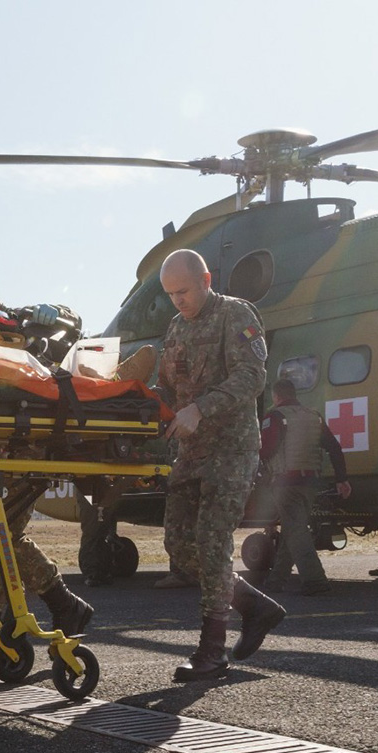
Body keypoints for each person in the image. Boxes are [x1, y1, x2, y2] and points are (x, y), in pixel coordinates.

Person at [157, 249, 285, 682]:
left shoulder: (236, 314)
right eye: (171, 294)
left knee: (212, 543)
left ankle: (211, 653)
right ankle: (254, 606)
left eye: (184, 291)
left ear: (206, 279)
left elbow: (252, 376)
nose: (178, 300)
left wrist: (201, 409)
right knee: (180, 548)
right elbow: (166, 387)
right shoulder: (175, 328)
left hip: (231, 451)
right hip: (190, 455)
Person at [0, 279, 95, 672]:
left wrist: (56, 314)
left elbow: (72, 327)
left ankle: (55, 609)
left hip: (23, 449)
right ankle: (13, 633)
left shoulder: (22, 321)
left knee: (4, 537)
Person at [259, 378, 352, 595]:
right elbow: (334, 448)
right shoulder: (314, 416)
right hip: (310, 483)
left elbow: (266, 450)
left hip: (285, 482)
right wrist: (342, 479)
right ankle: (276, 580)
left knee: (297, 531)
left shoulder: (274, 416)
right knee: (294, 528)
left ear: (276, 396)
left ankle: (315, 580)